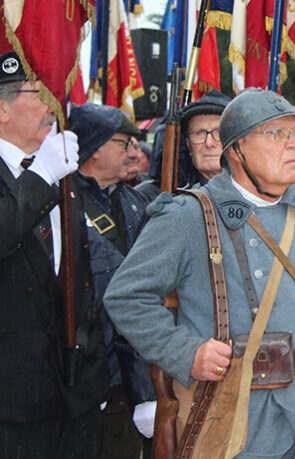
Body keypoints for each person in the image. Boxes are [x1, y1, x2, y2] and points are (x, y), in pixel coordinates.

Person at [104, 88, 295, 457]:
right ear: (235, 152)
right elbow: (125, 296)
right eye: (274, 134)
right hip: (232, 423)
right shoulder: (190, 215)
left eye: (294, 134)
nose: (292, 145)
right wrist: (186, 353)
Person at [0, 51, 108, 457]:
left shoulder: (61, 173)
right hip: (9, 403)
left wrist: (94, 380)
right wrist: (40, 176)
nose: (53, 105)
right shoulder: (48, 171)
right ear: (3, 109)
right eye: (39, 93)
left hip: (73, 393)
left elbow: (81, 282)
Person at [68, 103, 156, 458]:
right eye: (124, 143)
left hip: (133, 372)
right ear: (95, 146)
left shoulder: (135, 201)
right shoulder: (61, 199)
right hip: (85, 371)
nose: (134, 153)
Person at [138, 89, 231, 200]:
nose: (209, 143)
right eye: (199, 133)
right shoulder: (166, 201)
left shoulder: (255, 196)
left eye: (218, 132)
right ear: (188, 145)